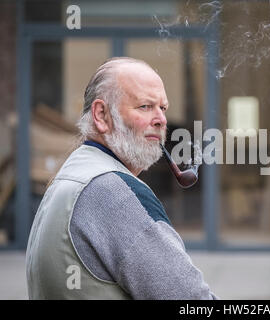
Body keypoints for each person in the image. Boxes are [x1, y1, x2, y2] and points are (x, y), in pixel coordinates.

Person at [26, 57, 218, 300]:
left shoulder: (72, 174)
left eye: (163, 108)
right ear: (101, 115)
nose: (161, 119)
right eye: (145, 107)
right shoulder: (114, 192)